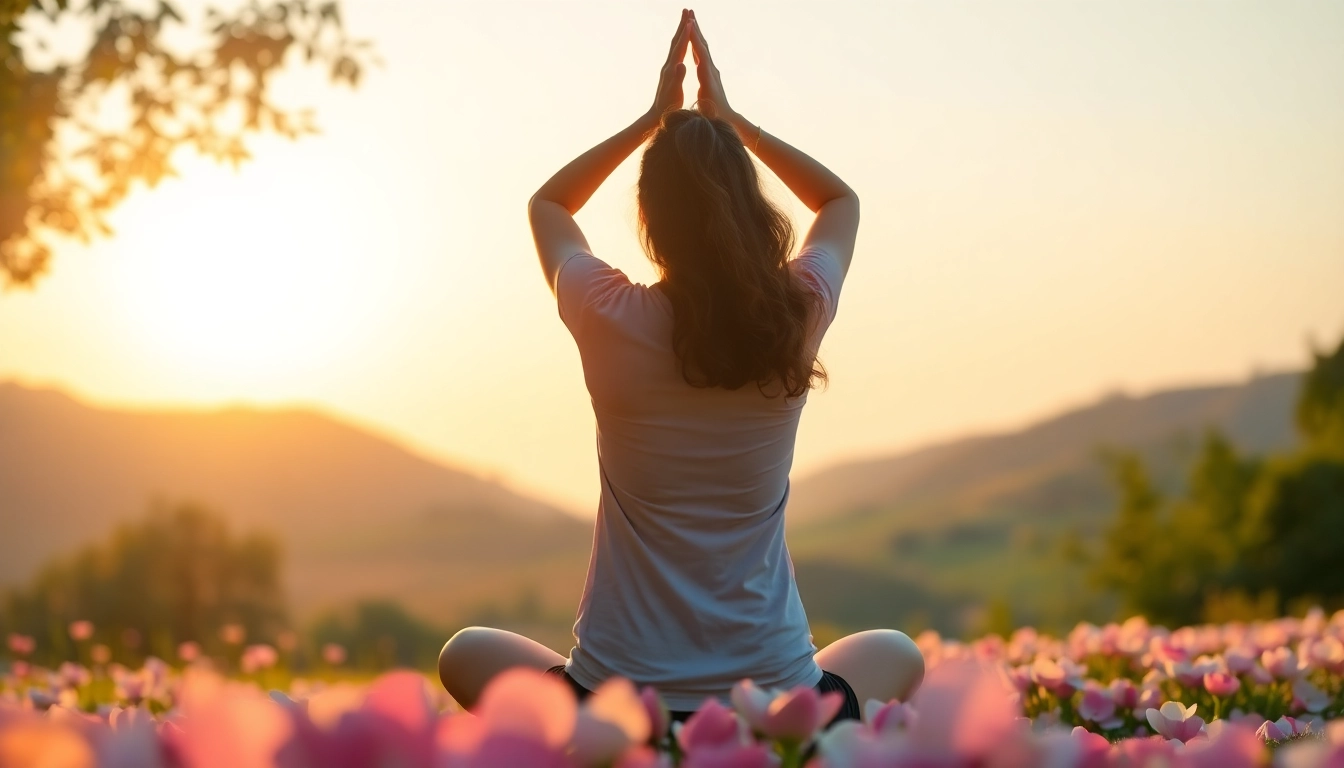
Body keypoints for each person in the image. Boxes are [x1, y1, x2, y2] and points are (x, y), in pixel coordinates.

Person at [438, 8, 924, 723]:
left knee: (465, 651)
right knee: (898, 652)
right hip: (776, 701)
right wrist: (732, 126)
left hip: (616, 707)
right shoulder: (796, 315)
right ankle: (786, 742)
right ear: (752, 207)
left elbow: (549, 204)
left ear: (650, 217)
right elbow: (839, 201)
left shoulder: (610, 315)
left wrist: (652, 120)